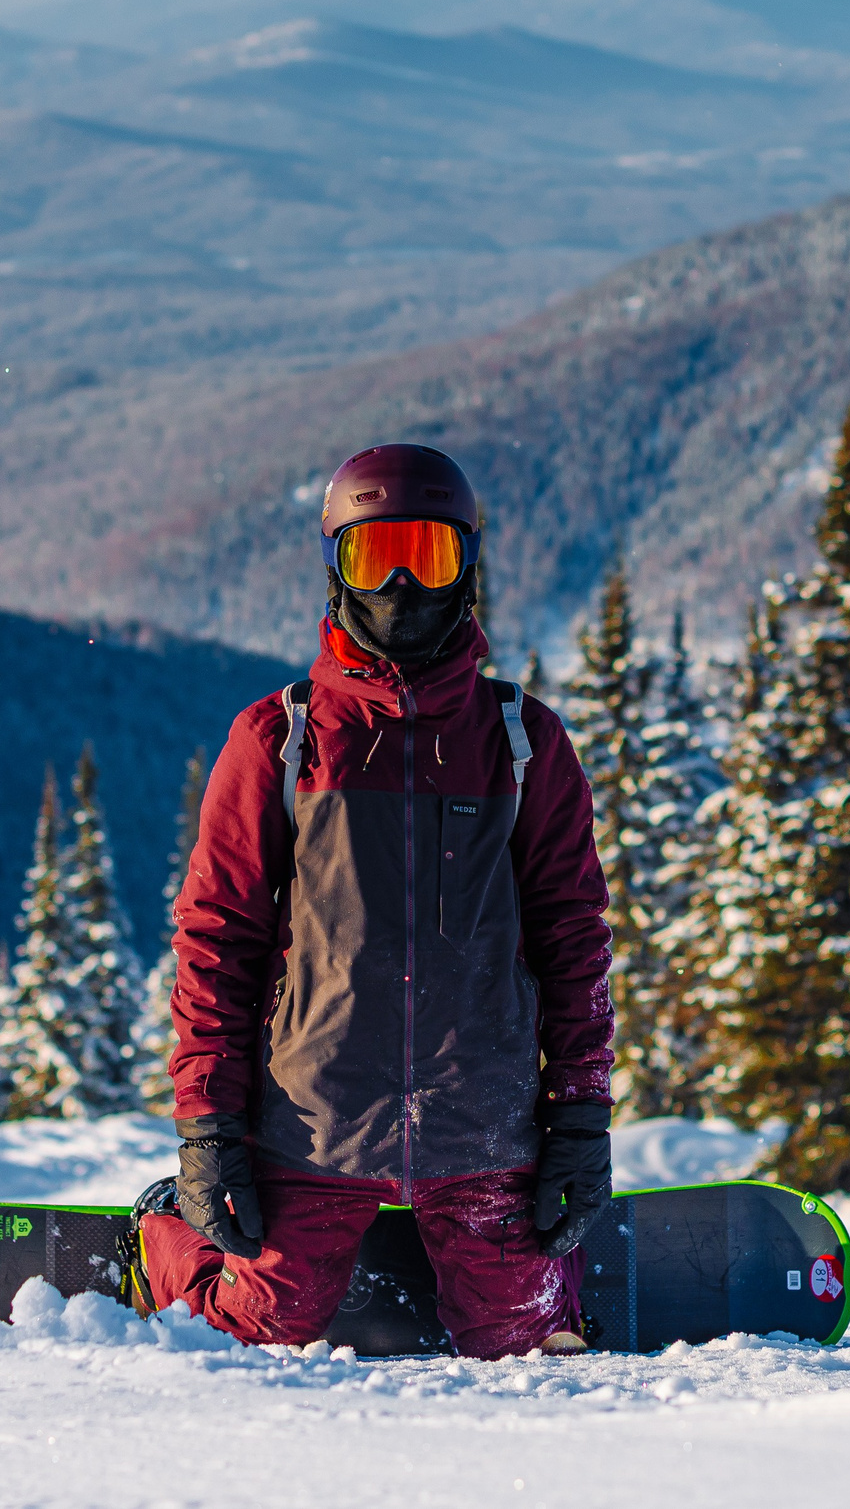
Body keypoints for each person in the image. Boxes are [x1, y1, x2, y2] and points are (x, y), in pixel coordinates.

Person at [129, 442, 615, 1359]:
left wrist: (578, 1117)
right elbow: (217, 943)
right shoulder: (281, 740)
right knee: (258, 1334)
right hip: (315, 1122)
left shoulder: (521, 743)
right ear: (335, 569)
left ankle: (534, 1271)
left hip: (482, 1121)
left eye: (425, 556)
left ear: (466, 565)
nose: (401, 584)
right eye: (372, 555)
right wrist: (207, 1127)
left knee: (523, 1343)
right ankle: (164, 1236)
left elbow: (573, 942)